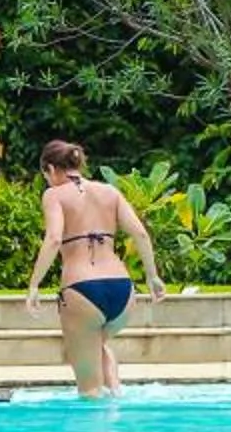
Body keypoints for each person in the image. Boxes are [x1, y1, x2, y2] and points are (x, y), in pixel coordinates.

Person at [22, 140, 161, 399]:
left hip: (82, 290)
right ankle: (117, 398)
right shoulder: (110, 192)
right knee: (97, 345)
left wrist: (33, 285)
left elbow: (53, 239)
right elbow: (140, 234)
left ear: (51, 169)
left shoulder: (54, 194)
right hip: (122, 291)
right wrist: (153, 277)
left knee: (89, 391)